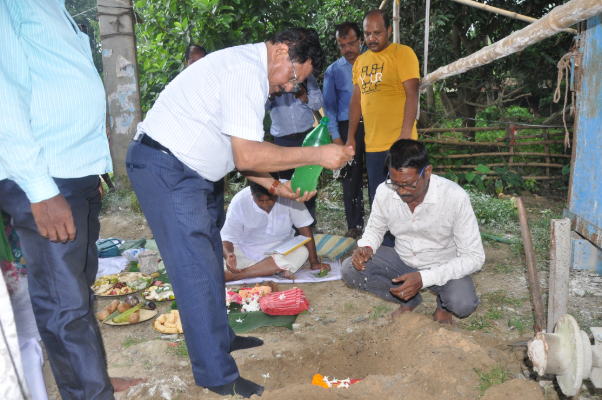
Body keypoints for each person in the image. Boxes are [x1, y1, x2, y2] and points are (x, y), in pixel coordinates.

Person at [126, 28, 354, 398]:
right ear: (281, 52)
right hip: (167, 169)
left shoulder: (250, 71)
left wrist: (277, 187)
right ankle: (217, 376)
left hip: (193, 173)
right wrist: (316, 154)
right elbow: (248, 155)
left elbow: (239, 157)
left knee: (208, 260)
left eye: (298, 83)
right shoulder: (246, 71)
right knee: (194, 271)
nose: (289, 87)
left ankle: (221, 338)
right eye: (293, 77)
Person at [0, 1, 145, 399]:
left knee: (77, 293)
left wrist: (92, 169)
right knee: (64, 303)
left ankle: (93, 381)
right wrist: (40, 188)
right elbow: (4, 93)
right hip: (46, 176)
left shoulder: (53, 6)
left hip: (74, 171)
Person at [341, 140, 484, 324]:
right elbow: (375, 228)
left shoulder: (454, 198)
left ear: (427, 172)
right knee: (350, 269)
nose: (402, 191)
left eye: (409, 184)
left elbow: (474, 257)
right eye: (395, 183)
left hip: (442, 264)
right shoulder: (385, 192)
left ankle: (444, 306)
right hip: (403, 260)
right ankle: (409, 299)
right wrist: (367, 247)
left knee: (462, 303)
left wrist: (423, 278)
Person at [347, 9, 420, 208]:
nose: (372, 38)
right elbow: (356, 101)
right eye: (367, 34)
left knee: (406, 199)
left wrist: (406, 136)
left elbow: (412, 94)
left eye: (377, 33)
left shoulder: (402, 54)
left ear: (388, 30)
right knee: (379, 201)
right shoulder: (360, 62)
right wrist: (351, 136)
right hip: (372, 146)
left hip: (400, 142)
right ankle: (383, 232)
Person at [222, 181, 324, 282]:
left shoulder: (289, 194)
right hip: (246, 252)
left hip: (281, 252)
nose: (265, 204)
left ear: (277, 192)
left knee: (302, 251)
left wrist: (314, 261)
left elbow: (304, 227)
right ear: (252, 193)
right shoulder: (239, 201)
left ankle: (242, 274)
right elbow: (226, 238)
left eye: (270, 199)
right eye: (260, 200)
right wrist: (229, 256)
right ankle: (271, 269)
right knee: (222, 256)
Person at [323, 22, 366, 239]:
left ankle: (382, 224)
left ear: (360, 40)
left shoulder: (373, 63)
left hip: (375, 124)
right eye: (342, 45)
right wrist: (336, 137)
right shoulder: (333, 71)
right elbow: (329, 107)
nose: (347, 49)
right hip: (347, 127)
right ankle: (354, 225)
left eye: (351, 43)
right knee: (351, 177)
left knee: (379, 173)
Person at [266, 74, 323, 231]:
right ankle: (290, 227)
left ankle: (310, 225)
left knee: (308, 181)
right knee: (285, 184)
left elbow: (319, 102)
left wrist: (305, 97)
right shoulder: (272, 77)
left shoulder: (306, 76)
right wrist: (271, 95)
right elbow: (259, 109)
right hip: (283, 140)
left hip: (306, 137)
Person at [184, 43, 228, 229]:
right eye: (193, 62)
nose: (198, 66)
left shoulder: (216, 85)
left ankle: (221, 238)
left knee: (216, 201)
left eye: (201, 62)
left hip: (213, 153)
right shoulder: (180, 87)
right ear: (186, 63)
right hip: (190, 157)